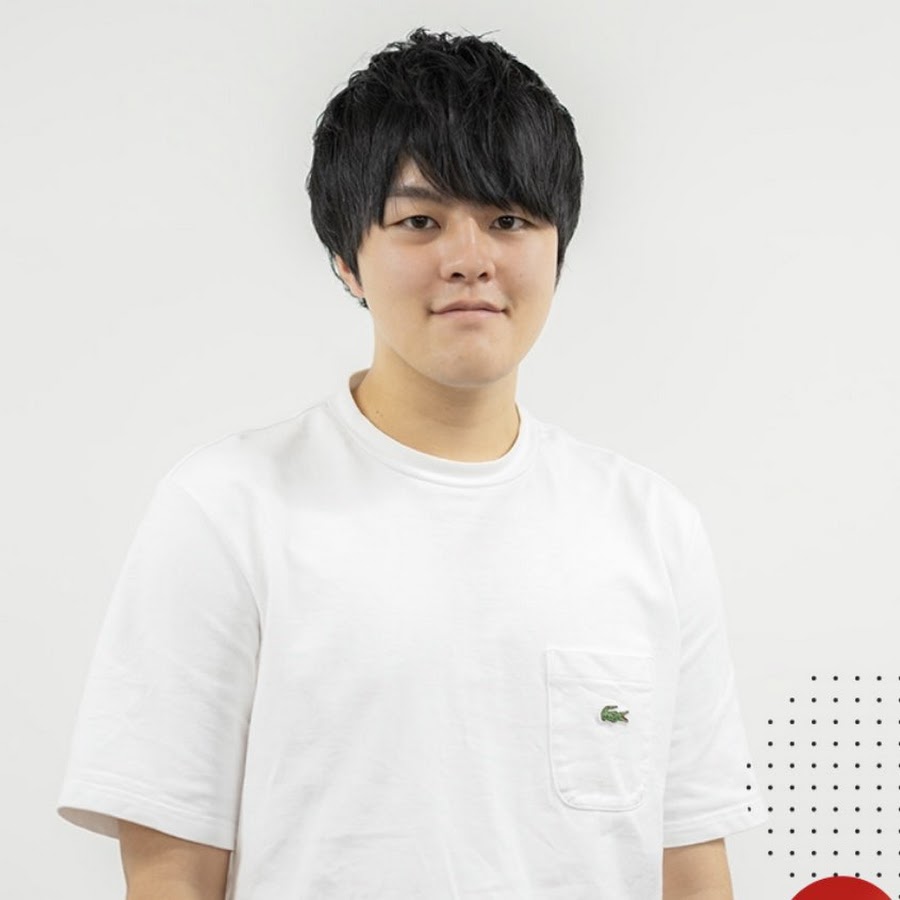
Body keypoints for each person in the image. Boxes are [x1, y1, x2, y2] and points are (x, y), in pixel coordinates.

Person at [58, 27, 766, 899]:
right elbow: (171, 871)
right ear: (346, 259)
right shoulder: (227, 509)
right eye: (419, 221)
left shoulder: (652, 528)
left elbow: (689, 865)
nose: (470, 259)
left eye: (509, 219)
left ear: (558, 248)